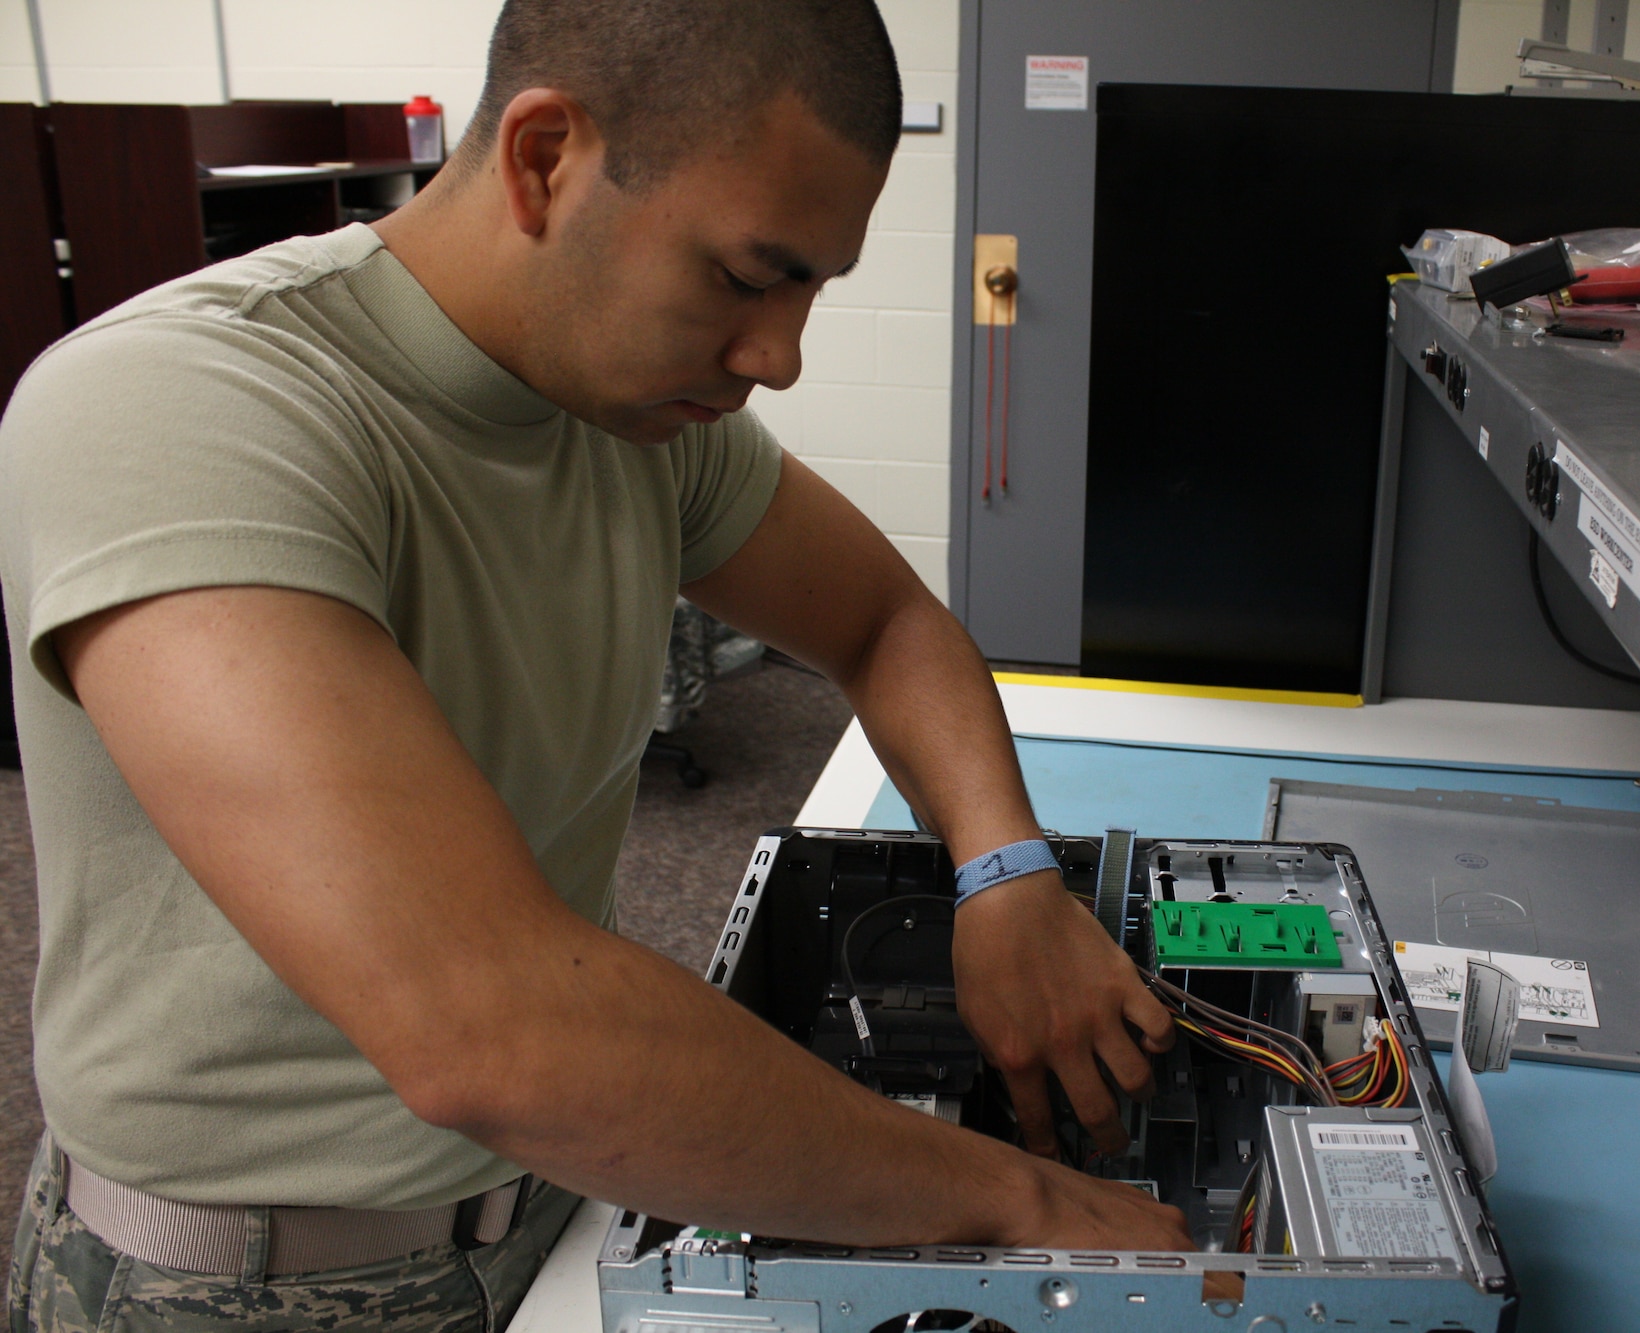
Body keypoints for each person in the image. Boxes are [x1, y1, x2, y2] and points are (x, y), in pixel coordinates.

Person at [0, 1, 1192, 1327]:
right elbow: (489, 1029)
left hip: (579, 1194)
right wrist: (1019, 1201)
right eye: (749, 278)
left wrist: (1005, 869)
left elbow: (887, 624)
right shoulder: (185, 409)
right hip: (262, 1279)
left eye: (809, 290)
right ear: (544, 157)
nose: (779, 357)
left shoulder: (637, 421)